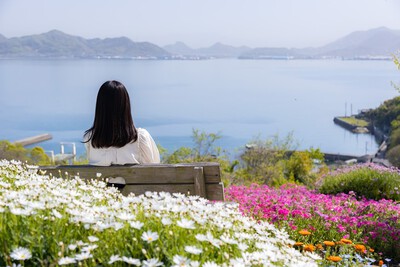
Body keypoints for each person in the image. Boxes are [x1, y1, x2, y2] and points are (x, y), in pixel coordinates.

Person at [84, 80, 160, 165]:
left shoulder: (90, 139)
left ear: (100, 107)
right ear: (125, 106)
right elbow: (153, 169)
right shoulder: (140, 138)